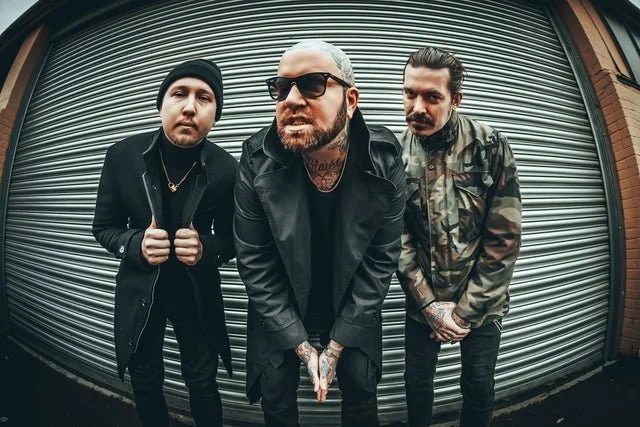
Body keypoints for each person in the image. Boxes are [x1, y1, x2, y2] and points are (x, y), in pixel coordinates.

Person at [233, 40, 405, 427]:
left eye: (312, 84)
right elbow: (255, 261)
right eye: (281, 88)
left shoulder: (385, 158)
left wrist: (337, 344)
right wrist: (299, 344)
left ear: (351, 100)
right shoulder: (256, 160)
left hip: (353, 299)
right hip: (280, 301)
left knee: (361, 391)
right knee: (276, 395)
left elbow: (381, 259)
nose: (292, 99)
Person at [92, 58, 237, 426]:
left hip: (197, 294)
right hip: (140, 290)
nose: (189, 107)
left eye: (204, 98)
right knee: (144, 379)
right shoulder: (123, 156)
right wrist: (134, 243)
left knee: (203, 382)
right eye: (179, 94)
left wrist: (206, 250)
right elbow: (104, 227)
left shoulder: (228, 169)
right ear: (161, 104)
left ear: (215, 115)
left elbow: (233, 239)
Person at [396, 46, 522, 427]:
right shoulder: (394, 155)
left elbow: (503, 238)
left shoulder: (489, 146)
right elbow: (396, 238)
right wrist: (428, 305)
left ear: (456, 99)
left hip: (482, 306)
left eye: (432, 97)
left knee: (478, 387)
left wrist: (465, 311)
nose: (418, 107)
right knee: (416, 384)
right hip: (422, 305)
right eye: (410, 93)